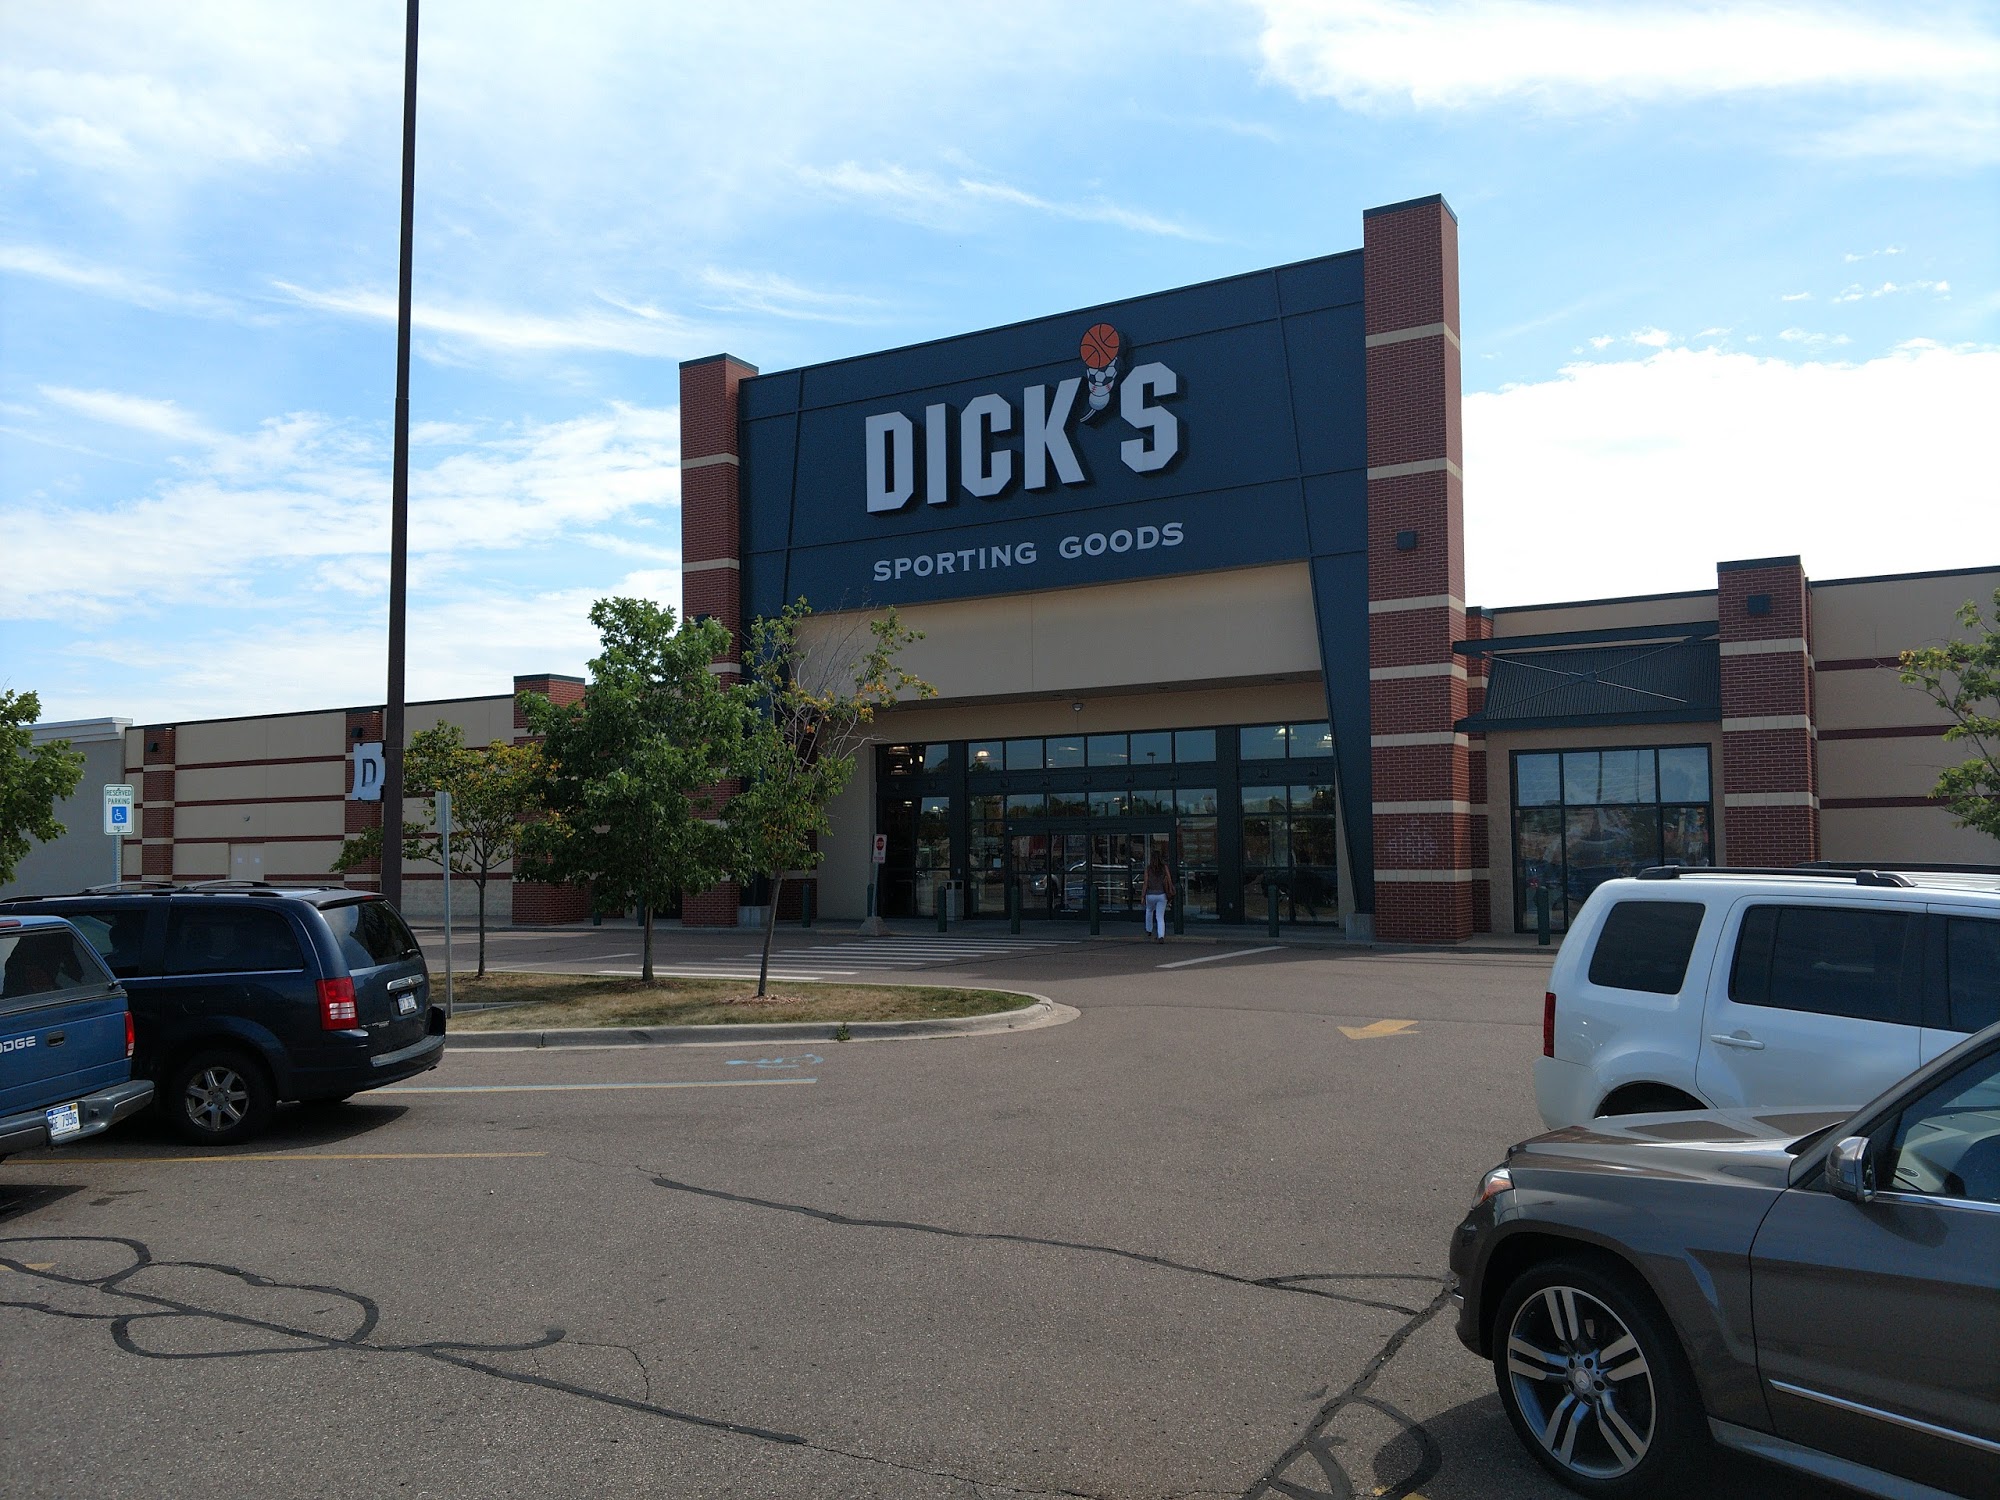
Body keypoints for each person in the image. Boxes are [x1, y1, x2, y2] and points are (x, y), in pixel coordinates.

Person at [1141, 850, 1175, 943]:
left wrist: (1143, 896)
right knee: (1160, 917)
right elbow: (1169, 880)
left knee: (1149, 910)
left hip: (1150, 894)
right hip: (1162, 894)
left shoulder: (1148, 869)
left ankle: (1149, 930)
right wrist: (1171, 890)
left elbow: (1145, 883)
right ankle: (1161, 936)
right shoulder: (1164, 867)